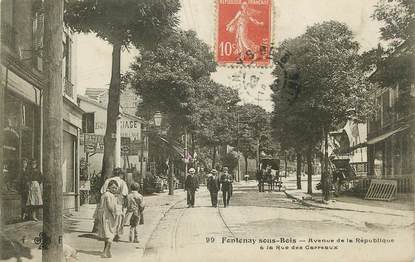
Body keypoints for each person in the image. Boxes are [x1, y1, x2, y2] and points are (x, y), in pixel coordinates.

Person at [100, 168, 128, 242]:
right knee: (118, 218)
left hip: (108, 199)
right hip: (118, 201)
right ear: (120, 174)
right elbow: (125, 193)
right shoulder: (122, 182)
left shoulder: (107, 181)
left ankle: (108, 233)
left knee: (108, 218)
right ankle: (117, 234)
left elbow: (102, 191)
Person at [97, 180, 118, 258]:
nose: (114, 189)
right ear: (109, 187)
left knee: (107, 234)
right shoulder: (109, 195)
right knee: (110, 234)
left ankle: (107, 251)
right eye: (113, 187)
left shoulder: (104, 194)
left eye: (116, 188)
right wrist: (114, 212)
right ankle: (105, 252)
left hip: (104, 216)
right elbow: (110, 206)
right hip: (108, 216)